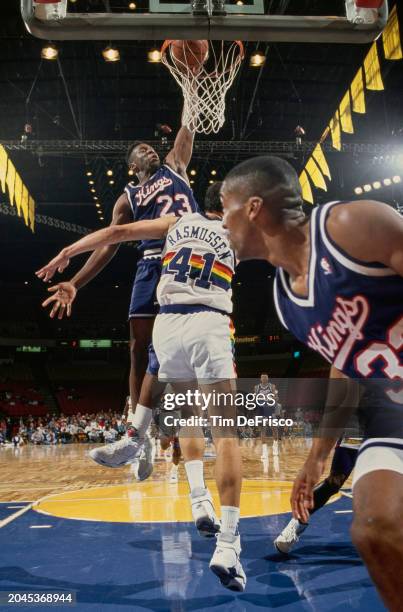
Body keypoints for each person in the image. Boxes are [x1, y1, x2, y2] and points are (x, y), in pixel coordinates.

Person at [36, 181, 245, 592]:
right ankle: (228, 545)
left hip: (166, 326)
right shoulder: (237, 231)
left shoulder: (176, 222)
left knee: (187, 418)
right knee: (226, 437)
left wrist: (67, 255)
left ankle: (196, 496)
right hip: (208, 323)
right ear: (229, 206)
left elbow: (115, 234)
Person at [220, 155, 403, 610]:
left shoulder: (349, 225)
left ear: (254, 208)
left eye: (224, 208)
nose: (219, 221)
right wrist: (316, 458)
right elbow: (346, 369)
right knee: (373, 527)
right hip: (389, 405)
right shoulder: (286, 303)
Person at [40, 119, 198, 422]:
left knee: (184, 347)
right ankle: (138, 428)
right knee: (138, 348)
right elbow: (109, 244)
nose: (150, 151)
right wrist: (75, 282)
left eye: (151, 148)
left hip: (185, 258)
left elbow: (187, 130)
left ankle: (186, 422)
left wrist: (193, 92)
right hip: (151, 264)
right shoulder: (127, 198)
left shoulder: (174, 165)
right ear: (132, 165)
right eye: (143, 150)